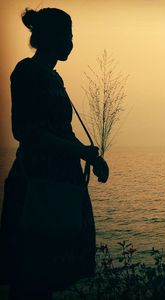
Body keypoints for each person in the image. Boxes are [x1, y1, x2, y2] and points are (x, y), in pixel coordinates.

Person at [0, 7, 109, 300]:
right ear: (50, 37)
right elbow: (26, 132)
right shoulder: (26, 71)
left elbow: (61, 130)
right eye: (68, 36)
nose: (71, 43)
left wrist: (92, 157)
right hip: (36, 185)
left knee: (43, 278)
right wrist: (81, 151)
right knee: (30, 276)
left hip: (57, 185)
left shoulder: (54, 79)